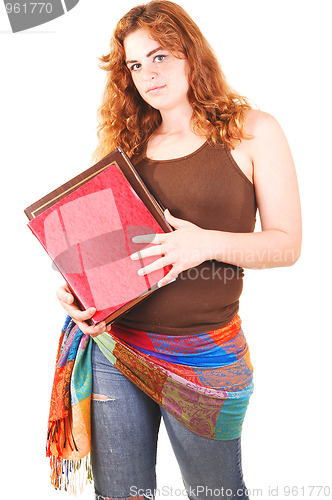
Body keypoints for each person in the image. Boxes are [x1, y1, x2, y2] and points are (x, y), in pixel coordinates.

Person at [55, 1, 302, 499]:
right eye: (135, 64)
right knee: (121, 495)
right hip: (115, 348)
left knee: (217, 493)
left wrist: (201, 245)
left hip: (207, 356)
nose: (148, 73)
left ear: (191, 54)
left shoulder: (253, 131)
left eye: (160, 56)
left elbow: (287, 245)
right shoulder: (122, 147)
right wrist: (80, 292)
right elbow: (104, 255)